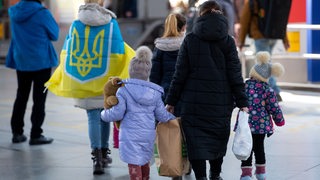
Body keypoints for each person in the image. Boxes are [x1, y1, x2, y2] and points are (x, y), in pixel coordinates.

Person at [165, 1, 249, 180]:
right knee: (217, 139)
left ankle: (201, 177)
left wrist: (171, 101)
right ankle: (216, 174)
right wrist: (243, 103)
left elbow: (179, 75)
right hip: (221, 103)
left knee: (196, 142)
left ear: (200, 15)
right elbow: (235, 75)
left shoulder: (190, 39)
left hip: (192, 104)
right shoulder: (228, 42)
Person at [101, 46, 176, 180]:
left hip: (129, 136)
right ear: (148, 73)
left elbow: (117, 114)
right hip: (147, 135)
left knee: (134, 163)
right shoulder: (155, 93)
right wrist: (174, 117)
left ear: (130, 72)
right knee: (144, 161)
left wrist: (104, 114)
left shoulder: (123, 91)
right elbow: (162, 115)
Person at [67, 0, 123, 175]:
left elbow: (69, 50)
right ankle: (105, 153)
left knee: (92, 116)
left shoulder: (76, 24)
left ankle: (97, 158)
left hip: (84, 77)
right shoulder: (111, 23)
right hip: (105, 77)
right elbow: (118, 50)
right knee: (105, 114)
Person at [5, 0, 59, 145]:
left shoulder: (14, 11)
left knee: (21, 95)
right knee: (39, 99)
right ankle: (36, 134)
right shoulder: (42, 13)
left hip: (21, 59)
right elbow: (54, 34)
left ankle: (17, 133)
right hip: (40, 60)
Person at [149, 12, 188, 180]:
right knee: (186, 131)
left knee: (172, 133)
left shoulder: (159, 47)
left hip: (166, 95)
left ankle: (174, 166)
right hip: (185, 94)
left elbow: (154, 77)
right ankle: (187, 163)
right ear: (184, 28)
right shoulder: (187, 45)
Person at [239, 51, 285, 180]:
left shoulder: (244, 87)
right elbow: (274, 108)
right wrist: (279, 121)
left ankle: (246, 175)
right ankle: (260, 173)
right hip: (261, 126)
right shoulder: (268, 90)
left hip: (245, 125)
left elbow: (235, 100)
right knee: (259, 148)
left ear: (252, 74)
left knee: (246, 149)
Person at [238, 0, 291, 101]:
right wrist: (285, 39)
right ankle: (271, 91)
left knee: (264, 66)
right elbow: (280, 20)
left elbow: (244, 20)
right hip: (274, 36)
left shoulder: (252, 2)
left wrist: (241, 40)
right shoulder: (273, 3)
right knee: (267, 64)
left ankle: (274, 91)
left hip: (260, 36)